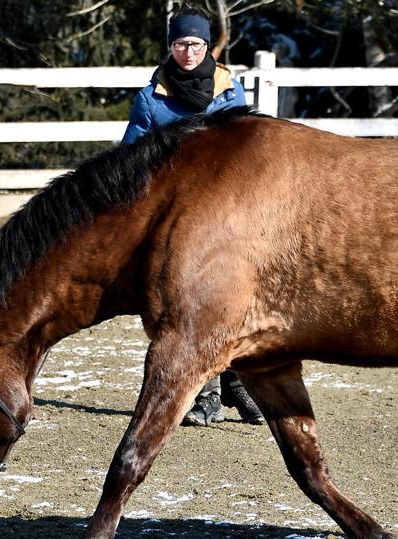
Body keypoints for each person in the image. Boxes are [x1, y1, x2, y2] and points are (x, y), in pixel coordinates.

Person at [121, 6, 264, 427]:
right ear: (171, 46)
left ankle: (237, 386)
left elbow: (245, 149)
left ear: (208, 47)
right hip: (176, 212)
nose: (188, 51)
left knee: (233, 298)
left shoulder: (227, 91)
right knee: (190, 301)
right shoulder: (151, 98)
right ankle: (210, 393)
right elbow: (130, 158)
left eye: (196, 44)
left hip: (228, 208)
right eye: (181, 43)